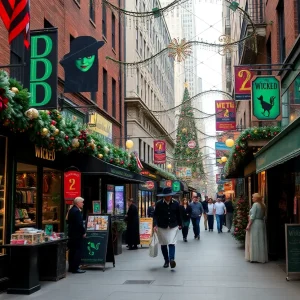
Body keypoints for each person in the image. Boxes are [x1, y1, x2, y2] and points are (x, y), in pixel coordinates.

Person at [154, 187, 182, 269]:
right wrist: (155, 225)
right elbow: (155, 215)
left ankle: (171, 259)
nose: (169, 197)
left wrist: (180, 224)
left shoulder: (176, 203)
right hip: (162, 226)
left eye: (170, 195)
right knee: (163, 243)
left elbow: (178, 215)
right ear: (164, 196)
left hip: (173, 226)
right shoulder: (159, 203)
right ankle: (166, 260)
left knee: (172, 242)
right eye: (167, 195)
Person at [245, 193, 268, 263]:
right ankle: (261, 257)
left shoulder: (255, 205)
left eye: (253, 197)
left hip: (255, 223)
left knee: (254, 240)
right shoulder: (263, 205)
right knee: (261, 240)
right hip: (261, 223)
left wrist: (248, 225)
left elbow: (253, 216)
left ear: (256, 198)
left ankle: (254, 257)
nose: (252, 198)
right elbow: (264, 216)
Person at [67, 197, 86, 274]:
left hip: (72, 233)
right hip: (77, 234)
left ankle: (71, 267)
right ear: (78, 203)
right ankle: (76, 267)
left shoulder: (71, 210)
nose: (83, 204)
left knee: (72, 251)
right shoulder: (77, 211)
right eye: (82, 202)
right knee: (77, 251)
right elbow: (79, 224)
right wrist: (83, 232)